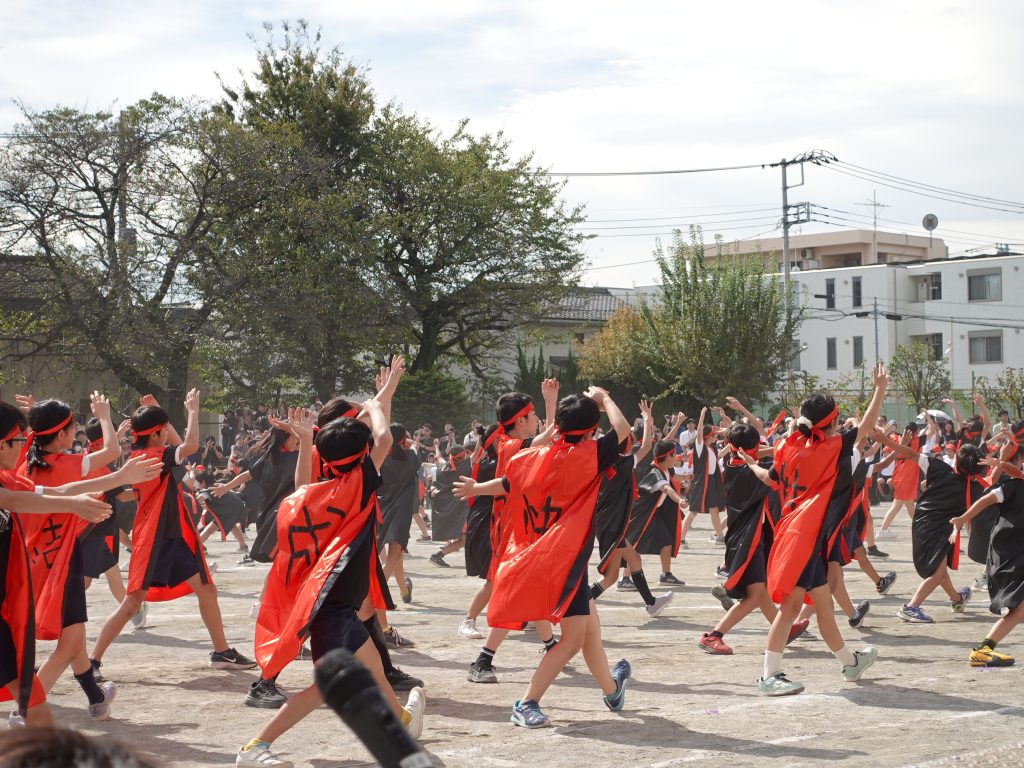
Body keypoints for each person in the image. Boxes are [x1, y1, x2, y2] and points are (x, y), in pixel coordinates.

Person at [236, 397, 424, 767]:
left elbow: (302, 483)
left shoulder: (310, 496)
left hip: (334, 604)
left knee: (371, 663)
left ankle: (401, 720)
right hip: (331, 608)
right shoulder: (360, 485)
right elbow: (385, 440)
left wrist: (308, 441)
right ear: (364, 454)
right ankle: (255, 747)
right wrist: (374, 404)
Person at [454, 387, 632, 728]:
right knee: (573, 639)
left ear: (557, 425)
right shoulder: (591, 455)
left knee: (589, 632)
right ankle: (527, 701)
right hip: (562, 561)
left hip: (539, 557)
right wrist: (606, 397)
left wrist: (476, 489)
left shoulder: (525, 458)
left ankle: (612, 689)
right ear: (592, 430)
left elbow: (506, 484)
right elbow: (623, 430)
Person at [88, 390, 256, 678]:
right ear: (156, 434)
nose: (167, 433)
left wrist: (158, 411)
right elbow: (188, 445)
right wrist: (192, 410)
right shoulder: (158, 456)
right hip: (157, 538)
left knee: (206, 589)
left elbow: (179, 445)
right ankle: (92, 661)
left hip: (172, 536)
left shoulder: (146, 453)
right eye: (164, 429)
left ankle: (221, 651)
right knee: (132, 603)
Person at [17, 393, 160, 721]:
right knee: (68, 645)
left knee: (75, 636)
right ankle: (26, 710)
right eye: (72, 427)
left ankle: (96, 699)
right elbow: (110, 451)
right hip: (62, 562)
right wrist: (105, 416)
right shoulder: (69, 464)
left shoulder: (25, 462)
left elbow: (34, 440)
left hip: (33, 559)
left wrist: (33, 417)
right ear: (64, 434)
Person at [754, 363, 888, 696]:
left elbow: (775, 470)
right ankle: (769, 675)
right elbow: (868, 426)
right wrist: (880, 389)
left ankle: (849, 662)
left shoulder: (787, 447)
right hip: (802, 536)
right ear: (829, 423)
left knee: (824, 606)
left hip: (798, 534)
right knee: (790, 610)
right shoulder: (829, 448)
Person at [465, 383, 560, 684]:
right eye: (532, 415)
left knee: (530, 591)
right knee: (517, 594)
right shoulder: (507, 445)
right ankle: (482, 660)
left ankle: (551, 646)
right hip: (512, 531)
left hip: (521, 527)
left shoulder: (511, 443)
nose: (535, 419)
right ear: (520, 420)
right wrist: (552, 402)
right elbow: (548, 437)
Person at [702, 420, 809, 654]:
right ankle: (713, 635)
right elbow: (777, 470)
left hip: (747, 537)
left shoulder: (732, 460)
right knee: (753, 596)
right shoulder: (748, 472)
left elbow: (757, 453)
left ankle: (785, 629)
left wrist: (780, 444)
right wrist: (794, 441)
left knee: (759, 592)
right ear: (747, 449)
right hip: (745, 541)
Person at [874, 429, 986, 624]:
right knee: (936, 573)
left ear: (957, 461)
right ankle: (911, 607)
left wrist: (886, 440)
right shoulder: (973, 489)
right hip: (937, 530)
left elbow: (910, 454)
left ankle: (957, 599)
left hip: (920, 521)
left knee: (940, 570)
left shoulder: (939, 467)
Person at [589, 401, 673, 617]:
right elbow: (645, 447)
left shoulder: (601, 462)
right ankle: (578, 604)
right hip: (612, 524)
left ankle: (651, 603)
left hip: (608, 521)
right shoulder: (620, 463)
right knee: (609, 578)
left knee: (634, 559)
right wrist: (647, 420)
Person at [951, 432, 1024, 667]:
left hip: (1015, 552)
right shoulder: (1010, 488)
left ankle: (984, 650)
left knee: (1020, 610)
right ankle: (983, 650)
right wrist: (962, 518)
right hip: (1009, 554)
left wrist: (1000, 463)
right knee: (1019, 608)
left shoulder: (1017, 480)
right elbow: (984, 501)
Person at [623, 435, 686, 588]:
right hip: (643, 516)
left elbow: (673, 477)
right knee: (634, 544)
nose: (676, 457)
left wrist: (686, 477)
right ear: (668, 457)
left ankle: (666, 575)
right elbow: (667, 488)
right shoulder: (656, 473)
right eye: (674, 454)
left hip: (654, 514)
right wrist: (680, 500)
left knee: (666, 541)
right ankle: (624, 579)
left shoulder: (663, 468)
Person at [377, 425, 419, 603]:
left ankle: (404, 591)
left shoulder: (380, 458)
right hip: (401, 513)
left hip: (383, 509)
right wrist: (408, 440)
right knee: (393, 556)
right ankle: (376, 596)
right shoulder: (410, 456)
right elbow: (414, 447)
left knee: (396, 556)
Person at [680, 407, 726, 546]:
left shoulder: (712, 449)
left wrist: (723, 416)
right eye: (713, 435)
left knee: (714, 510)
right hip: (700, 483)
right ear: (707, 437)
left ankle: (719, 536)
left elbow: (727, 430)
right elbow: (699, 434)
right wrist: (702, 415)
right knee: (693, 511)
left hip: (711, 482)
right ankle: (680, 539)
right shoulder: (700, 447)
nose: (715, 436)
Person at [429, 443, 471, 568]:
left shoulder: (441, 465)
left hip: (450, 507)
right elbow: (477, 454)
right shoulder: (462, 468)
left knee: (463, 540)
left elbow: (439, 457)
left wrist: (436, 446)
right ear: (462, 456)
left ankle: (438, 555)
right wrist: (482, 438)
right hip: (459, 508)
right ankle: (438, 555)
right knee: (464, 540)